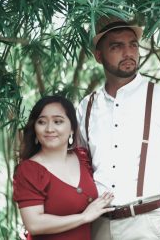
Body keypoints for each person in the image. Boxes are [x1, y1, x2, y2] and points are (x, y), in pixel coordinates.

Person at [76, 17, 160, 240]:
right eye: (116, 46)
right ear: (99, 56)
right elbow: (78, 166)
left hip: (147, 223)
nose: (128, 52)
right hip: (98, 225)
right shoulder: (86, 106)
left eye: (133, 45)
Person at [13, 96, 115, 240]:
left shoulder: (82, 158)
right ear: (35, 128)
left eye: (58, 121)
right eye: (42, 122)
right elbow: (34, 224)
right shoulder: (29, 170)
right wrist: (84, 217)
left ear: (72, 128)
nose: (49, 129)